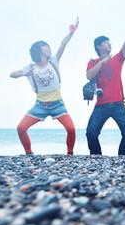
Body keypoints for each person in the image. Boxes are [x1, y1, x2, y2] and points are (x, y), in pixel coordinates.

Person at [10, 17, 79, 155]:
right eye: (45, 46)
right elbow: (13, 74)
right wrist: (23, 73)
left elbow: (63, 44)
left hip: (58, 104)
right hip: (40, 105)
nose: (48, 48)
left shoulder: (54, 61)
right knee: (21, 128)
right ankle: (29, 153)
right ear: (39, 50)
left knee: (71, 129)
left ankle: (70, 153)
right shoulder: (31, 67)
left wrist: (72, 32)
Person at [85, 14, 125, 155]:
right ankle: (96, 156)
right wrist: (103, 61)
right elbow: (89, 75)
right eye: (107, 42)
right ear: (99, 46)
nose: (110, 44)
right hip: (100, 106)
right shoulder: (93, 62)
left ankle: (122, 158)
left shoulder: (118, 59)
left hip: (118, 105)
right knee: (91, 133)